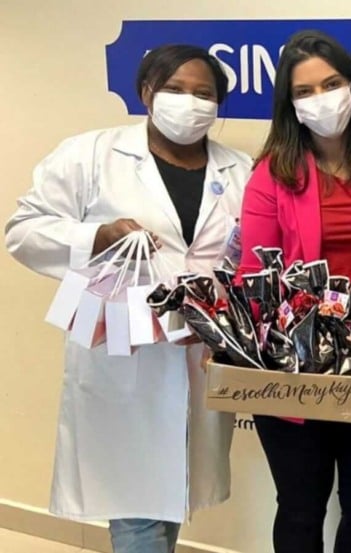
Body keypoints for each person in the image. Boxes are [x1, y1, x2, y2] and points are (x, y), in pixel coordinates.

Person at [5, 45, 250, 552]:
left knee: (170, 495)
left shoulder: (239, 169)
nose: (190, 103)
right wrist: (97, 236)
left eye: (204, 94)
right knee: (136, 507)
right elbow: (22, 232)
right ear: (147, 93)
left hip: (198, 351)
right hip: (121, 352)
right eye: (176, 90)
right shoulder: (90, 154)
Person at [238, 30, 351, 553]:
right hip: (297, 371)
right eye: (305, 90)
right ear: (289, 104)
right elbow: (257, 276)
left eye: (332, 83)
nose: (322, 98)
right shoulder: (272, 176)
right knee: (301, 507)